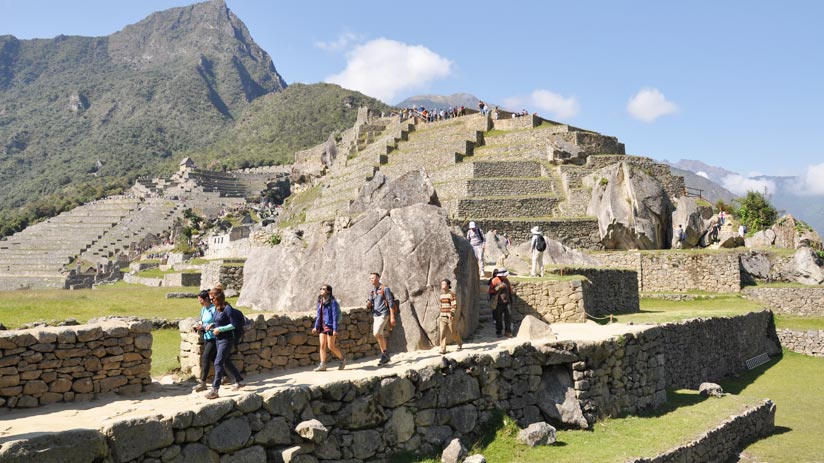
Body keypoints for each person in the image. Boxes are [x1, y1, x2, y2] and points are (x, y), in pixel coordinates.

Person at [205, 288, 245, 399]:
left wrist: (220, 329)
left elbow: (234, 325)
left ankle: (214, 390)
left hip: (226, 340)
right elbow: (218, 321)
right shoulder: (217, 309)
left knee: (218, 363)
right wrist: (212, 326)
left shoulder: (228, 309)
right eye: (210, 298)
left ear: (218, 298)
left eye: (212, 298)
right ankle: (240, 381)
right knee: (226, 361)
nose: (211, 300)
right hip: (219, 340)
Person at [312, 284, 346, 371]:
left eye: (323, 289)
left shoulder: (333, 302)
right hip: (322, 326)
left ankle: (342, 359)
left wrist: (335, 329)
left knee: (331, 346)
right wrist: (316, 327)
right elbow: (318, 315)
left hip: (330, 326)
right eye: (321, 288)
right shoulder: (320, 301)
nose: (321, 290)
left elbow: (334, 316)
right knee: (322, 345)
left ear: (329, 291)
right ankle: (322, 364)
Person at [367, 272, 396, 365]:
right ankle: (385, 355)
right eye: (370, 278)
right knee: (379, 335)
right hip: (376, 315)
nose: (371, 280)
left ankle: (385, 354)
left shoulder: (385, 289)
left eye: (373, 278)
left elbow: (390, 302)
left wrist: (392, 317)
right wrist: (368, 303)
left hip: (384, 314)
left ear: (378, 278)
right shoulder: (372, 291)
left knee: (376, 333)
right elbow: (370, 302)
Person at [192, 289, 216, 392]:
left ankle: (203, 383)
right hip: (206, 337)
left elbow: (218, 321)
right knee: (214, 358)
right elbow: (202, 320)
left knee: (205, 358)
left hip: (214, 337)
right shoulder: (203, 309)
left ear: (206, 298)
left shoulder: (214, 309)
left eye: (200, 300)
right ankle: (225, 376)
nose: (199, 302)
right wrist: (198, 325)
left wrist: (208, 325)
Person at [437, 279, 463, 355]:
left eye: (444, 284)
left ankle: (460, 343)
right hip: (442, 317)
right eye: (442, 284)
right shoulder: (441, 295)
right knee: (442, 333)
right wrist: (440, 314)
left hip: (450, 317)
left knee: (453, 332)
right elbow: (441, 305)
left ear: (448, 285)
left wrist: (451, 314)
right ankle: (443, 349)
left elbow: (454, 305)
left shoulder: (451, 294)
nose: (442, 285)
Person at [489, 268, 513, 338]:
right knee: (498, 318)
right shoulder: (494, 280)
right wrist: (499, 287)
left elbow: (509, 290)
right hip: (498, 302)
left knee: (508, 317)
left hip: (507, 302)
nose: (506, 276)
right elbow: (490, 291)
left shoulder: (506, 280)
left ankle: (508, 332)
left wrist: (511, 300)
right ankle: (499, 331)